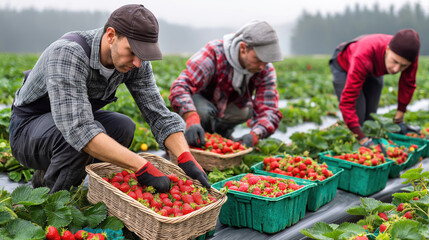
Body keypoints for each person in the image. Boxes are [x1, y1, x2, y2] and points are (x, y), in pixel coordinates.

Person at [9, 4, 210, 193]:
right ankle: (56, 198)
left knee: (123, 127)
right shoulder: (69, 53)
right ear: (111, 35)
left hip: (61, 126)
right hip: (27, 130)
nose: (138, 62)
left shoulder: (136, 63)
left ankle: (61, 173)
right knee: (74, 138)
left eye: (143, 55)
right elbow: (78, 129)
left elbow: (159, 115)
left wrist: (185, 158)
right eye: (132, 52)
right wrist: (142, 167)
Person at [168, 20, 283, 149]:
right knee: (203, 112)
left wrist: (255, 135)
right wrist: (191, 118)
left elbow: (269, 109)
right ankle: (194, 134)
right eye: (258, 59)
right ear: (243, 48)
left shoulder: (265, 69)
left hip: (227, 109)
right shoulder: (215, 53)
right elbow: (180, 87)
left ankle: (222, 135)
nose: (262, 66)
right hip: (202, 105)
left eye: (266, 61)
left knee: (244, 111)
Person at [329, 29, 421, 147]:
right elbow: (348, 101)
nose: (396, 69)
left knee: (370, 120)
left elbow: (407, 84)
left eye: (403, 66)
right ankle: (340, 132)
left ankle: (358, 131)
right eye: (395, 62)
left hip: (373, 69)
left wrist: (399, 119)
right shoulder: (362, 56)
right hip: (344, 65)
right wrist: (362, 139)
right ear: (387, 50)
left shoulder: (409, 56)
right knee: (359, 119)